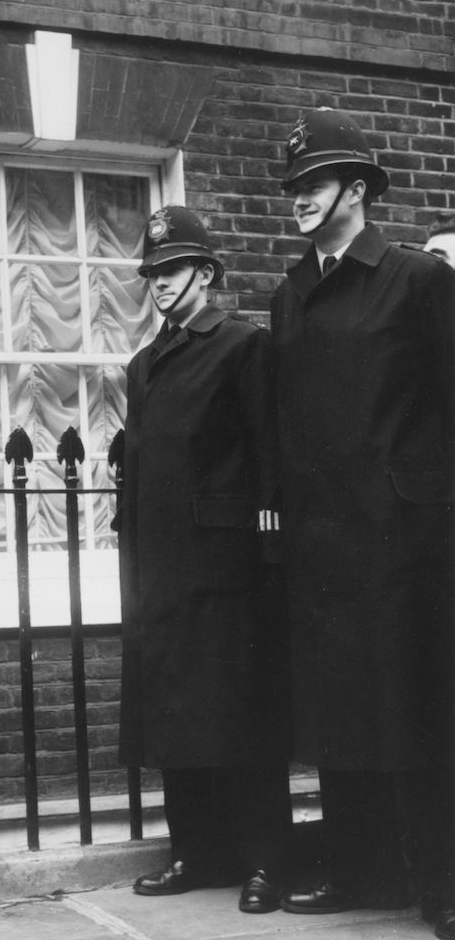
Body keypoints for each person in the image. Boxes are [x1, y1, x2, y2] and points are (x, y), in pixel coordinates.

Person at [270, 106, 454, 940]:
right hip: (322, 547)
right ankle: (360, 870)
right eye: (293, 187)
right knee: (341, 714)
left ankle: (440, 887)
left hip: (409, 545)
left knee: (419, 715)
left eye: (313, 184)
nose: (298, 199)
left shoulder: (417, 279)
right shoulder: (290, 292)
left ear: (357, 188)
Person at [117, 205, 291, 915]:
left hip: (226, 568)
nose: (161, 282)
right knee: (175, 713)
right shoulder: (142, 363)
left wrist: (266, 549)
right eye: (152, 272)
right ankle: (195, 851)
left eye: (174, 269)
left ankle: (264, 863)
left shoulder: (241, 346)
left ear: (207, 273)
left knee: (241, 715)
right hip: (159, 567)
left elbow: (267, 452)